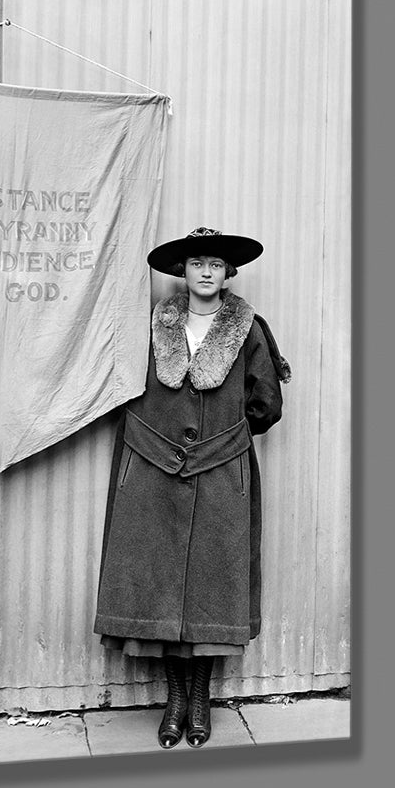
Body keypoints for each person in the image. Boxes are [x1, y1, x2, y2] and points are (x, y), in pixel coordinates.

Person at [94, 227, 290, 748]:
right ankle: (175, 703)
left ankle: (199, 702)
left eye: (216, 264)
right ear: (182, 271)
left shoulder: (247, 331)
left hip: (222, 472)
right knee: (158, 587)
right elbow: (117, 387)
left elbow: (266, 403)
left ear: (229, 273)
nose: (206, 271)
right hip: (152, 469)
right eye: (197, 263)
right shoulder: (152, 325)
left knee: (208, 591)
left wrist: (225, 440)